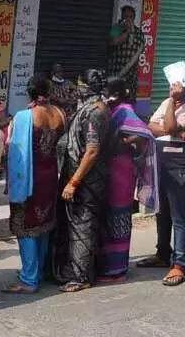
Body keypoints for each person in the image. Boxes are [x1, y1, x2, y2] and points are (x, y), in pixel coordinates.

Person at [136, 80, 185, 287]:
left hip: (180, 164)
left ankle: (179, 263)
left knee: (178, 215)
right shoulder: (168, 102)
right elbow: (151, 125)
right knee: (161, 210)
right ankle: (162, 253)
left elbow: (169, 126)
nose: (172, 90)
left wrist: (170, 126)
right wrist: (170, 128)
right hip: (161, 161)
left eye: (176, 87)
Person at [4, 76, 66, 294]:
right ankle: (37, 271)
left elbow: (13, 149)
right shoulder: (59, 114)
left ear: (29, 93)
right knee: (44, 225)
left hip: (29, 177)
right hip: (50, 175)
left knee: (26, 226)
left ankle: (29, 278)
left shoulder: (24, 117)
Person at [54, 69, 110, 293]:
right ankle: (71, 269)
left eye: (80, 84)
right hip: (76, 173)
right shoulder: (87, 107)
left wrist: (74, 182)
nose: (77, 89)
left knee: (83, 225)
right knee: (74, 224)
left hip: (87, 179)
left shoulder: (96, 111)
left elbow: (92, 151)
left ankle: (81, 276)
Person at [97, 77, 155, 283]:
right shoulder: (109, 109)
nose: (104, 92)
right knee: (107, 216)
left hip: (121, 168)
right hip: (109, 168)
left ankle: (117, 269)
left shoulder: (124, 110)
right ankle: (107, 263)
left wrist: (125, 141)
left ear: (117, 92)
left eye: (108, 89)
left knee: (119, 216)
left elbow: (144, 134)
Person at [107, 6, 145, 97]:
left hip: (131, 76)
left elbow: (139, 51)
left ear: (134, 18)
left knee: (129, 100)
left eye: (130, 16)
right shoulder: (116, 29)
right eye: (125, 16)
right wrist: (127, 31)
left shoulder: (139, 33)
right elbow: (114, 42)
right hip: (116, 73)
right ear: (122, 17)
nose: (127, 19)